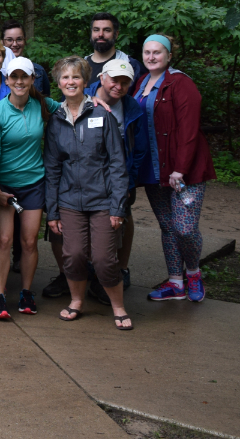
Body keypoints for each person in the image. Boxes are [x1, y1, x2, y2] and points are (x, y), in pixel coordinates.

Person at [44, 57, 131, 330]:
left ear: (85, 82)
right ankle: (76, 301)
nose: (71, 82)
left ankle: (118, 307)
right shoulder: (55, 119)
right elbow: (52, 168)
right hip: (69, 201)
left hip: (103, 200)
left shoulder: (101, 114)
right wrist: (53, 211)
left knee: (105, 259)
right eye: (65, 78)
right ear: (58, 83)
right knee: (74, 255)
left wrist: (118, 207)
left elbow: (118, 163)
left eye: (76, 78)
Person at [133, 34, 215, 303]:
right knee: (168, 227)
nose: (151, 57)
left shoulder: (181, 83)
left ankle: (193, 273)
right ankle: (176, 283)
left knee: (185, 229)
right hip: (154, 168)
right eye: (147, 52)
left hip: (183, 170)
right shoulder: (140, 83)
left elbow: (189, 131)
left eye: (157, 52)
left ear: (169, 55)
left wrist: (180, 169)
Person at [0, 58, 59, 320]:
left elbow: (69, 107)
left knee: (29, 241)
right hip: (4, 185)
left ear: (32, 80)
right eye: (14, 77)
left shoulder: (42, 104)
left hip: (33, 183)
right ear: (6, 80)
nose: (19, 81)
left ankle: (27, 292)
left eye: (24, 77)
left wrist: (95, 101)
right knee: (4, 240)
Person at [85, 58, 151, 298]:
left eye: (125, 82)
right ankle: (87, 273)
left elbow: (140, 148)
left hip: (119, 177)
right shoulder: (81, 97)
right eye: (114, 79)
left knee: (119, 224)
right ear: (101, 77)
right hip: (85, 176)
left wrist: (130, 180)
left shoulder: (132, 108)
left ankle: (118, 271)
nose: (119, 86)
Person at [1, 21, 49, 96]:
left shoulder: (38, 71)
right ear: (2, 42)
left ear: (25, 40)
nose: (15, 44)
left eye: (19, 39)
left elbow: (46, 102)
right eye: (9, 40)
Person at [86, 12, 131, 80]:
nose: (100, 34)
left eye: (107, 30)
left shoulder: (130, 65)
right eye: (96, 30)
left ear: (116, 34)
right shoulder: (81, 67)